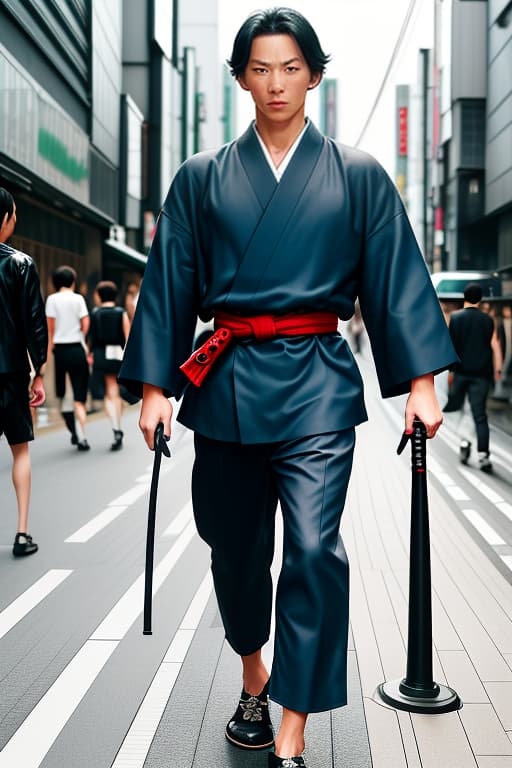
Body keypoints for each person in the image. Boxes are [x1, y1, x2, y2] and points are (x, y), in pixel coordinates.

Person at [119, 9, 457, 767]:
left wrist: (422, 386)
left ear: (314, 74)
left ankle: (293, 729)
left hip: (316, 386)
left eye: (291, 67)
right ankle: (252, 672)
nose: (276, 83)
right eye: (261, 68)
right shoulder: (201, 178)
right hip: (230, 383)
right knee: (235, 554)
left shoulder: (359, 174)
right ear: (241, 77)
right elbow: (170, 281)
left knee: (313, 551)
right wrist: (152, 390)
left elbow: (398, 281)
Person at [0, 188, 47, 557]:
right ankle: (21, 533)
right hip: (11, 372)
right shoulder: (20, 263)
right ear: (6, 218)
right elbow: (33, 324)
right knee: (20, 451)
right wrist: (39, 371)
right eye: (14, 214)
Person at [443, 283, 503, 472]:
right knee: (479, 414)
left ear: (464, 297)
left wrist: (450, 372)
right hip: (482, 375)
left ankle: (464, 444)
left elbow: (451, 347)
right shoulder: (488, 320)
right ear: (481, 299)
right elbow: (495, 345)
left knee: (459, 410)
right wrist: (498, 369)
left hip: (461, 372)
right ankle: (484, 455)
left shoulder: (456, 318)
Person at [45, 266, 91, 451]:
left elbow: (50, 329)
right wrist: (80, 335)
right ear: (73, 280)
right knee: (79, 397)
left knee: (63, 394)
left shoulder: (52, 299)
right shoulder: (78, 298)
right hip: (77, 349)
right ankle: (83, 435)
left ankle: (74, 433)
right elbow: (85, 323)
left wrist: (48, 353)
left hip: (60, 351)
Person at [88, 280, 130, 450]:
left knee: (108, 393)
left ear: (99, 295)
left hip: (100, 354)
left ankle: (115, 426)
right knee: (116, 392)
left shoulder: (95, 313)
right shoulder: (121, 313)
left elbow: (91, 336)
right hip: (117, 354)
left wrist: (90, 354)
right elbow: (128, 337)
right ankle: (118, 426)